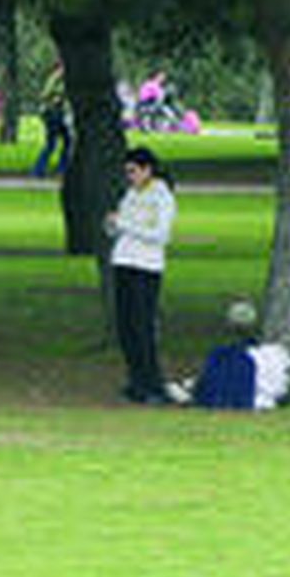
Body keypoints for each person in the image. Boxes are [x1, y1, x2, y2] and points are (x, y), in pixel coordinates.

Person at [106, 146, 178, 404]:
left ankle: (153, 384)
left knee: (142, 327)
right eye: (127, 171)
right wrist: (113, 224)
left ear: (148, 169)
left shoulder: (161, 196)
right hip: (123, 262)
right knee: (126, 328)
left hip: (145, 267)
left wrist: (124, 224)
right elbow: (121, 228)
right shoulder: (130, 194)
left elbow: (160, 235)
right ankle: (136, 381)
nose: (130, 176)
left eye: (133, 171)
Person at [32, 59, 71, 178]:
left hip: (56, 113)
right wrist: (57, 97)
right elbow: (46, 94)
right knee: (53, 143)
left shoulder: (58, 79)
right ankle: (40, 170)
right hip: (53, 114)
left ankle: (60, 168)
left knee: (66, 141)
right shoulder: (55, 78)